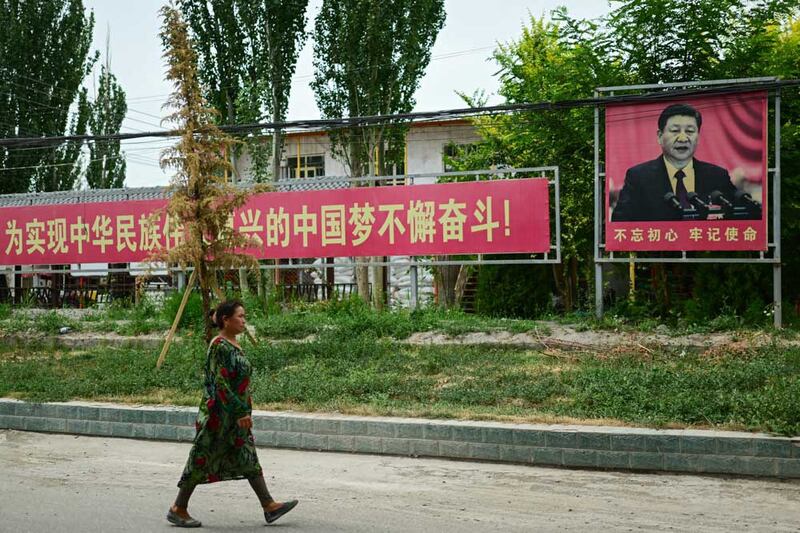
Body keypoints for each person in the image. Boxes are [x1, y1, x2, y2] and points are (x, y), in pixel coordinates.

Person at [167, 300, 298, 528]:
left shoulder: (234, 343)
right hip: (218, 415)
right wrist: (239, 411)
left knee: (246, 455)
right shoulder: (219, 345)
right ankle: (178, 508)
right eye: (239, 316)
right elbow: (220, 384)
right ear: (225, 320)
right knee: (201, 459)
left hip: (235, 416)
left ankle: (268, 505)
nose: (244, 320)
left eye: (244, 316)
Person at [611, 103, 738, 222]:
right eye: (675, 131)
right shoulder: (638, 177)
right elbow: (621, 224)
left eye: (690, 131)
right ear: (660, 136)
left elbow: (740, 218)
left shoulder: (717, 176)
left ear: (698, 137)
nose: (683, 138)